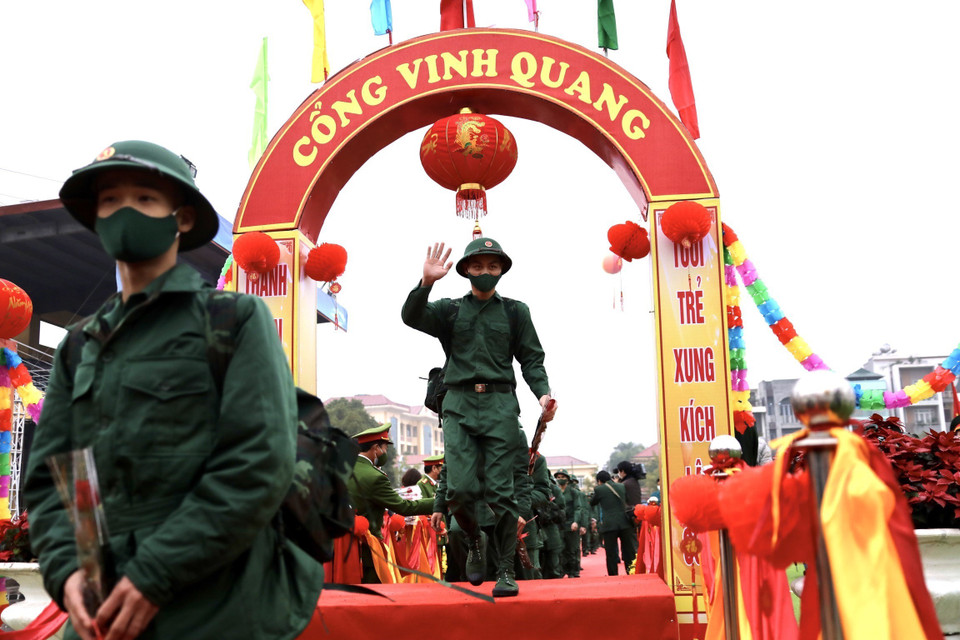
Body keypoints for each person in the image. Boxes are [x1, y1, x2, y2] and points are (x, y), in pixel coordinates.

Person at [23, 140, 323, 640]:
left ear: (181, 219)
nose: (124, 212)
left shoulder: (231, 320)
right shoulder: (79, 346)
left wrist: (153, 574)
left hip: (217, 593)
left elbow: (257, 464)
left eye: (144, 199)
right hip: (106, 596)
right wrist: (72, 571)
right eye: (110, 201)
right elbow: (62, 473)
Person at [402, 239, 557, 598]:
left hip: (501, 403)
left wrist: (543, 394)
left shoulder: (517, 312)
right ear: (466, 270)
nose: (485, 272)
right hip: (458, 402)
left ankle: (504, 570)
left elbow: (532, 359)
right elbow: (412, 317)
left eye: (492, 266)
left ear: (501, 269)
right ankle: (473, 540)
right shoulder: (450, 310)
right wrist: (426, 283)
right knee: (459, 488)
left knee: (502, 494)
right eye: (478, 266)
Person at [347, 424, 434, 583]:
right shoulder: (375, 477)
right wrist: (439, 502)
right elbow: (404, 507)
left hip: (341, 548)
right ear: (375, 449)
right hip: (367, 549)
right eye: (385, 448)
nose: (385, 453)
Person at [591, 470, 637, 576]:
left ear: (599, 481)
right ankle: (630, 572)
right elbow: (628, 500)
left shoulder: (599, 489)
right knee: (628, 551)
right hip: (625, 523)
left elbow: (593, 502)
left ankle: (613, 575)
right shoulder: (621, 486)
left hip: (609, 525)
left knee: (611, 552)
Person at [554, 469, 583, 578]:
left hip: (571, 524)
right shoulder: (555, 492)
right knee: (560, 549)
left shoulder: (573, 492)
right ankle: (562, 571)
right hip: (559, 525)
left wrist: (576, 521)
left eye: (563, 477)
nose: (560, 479)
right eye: (558, 477)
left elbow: (578, 508)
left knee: (572, 549)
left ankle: (574, 572)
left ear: (567, 479)